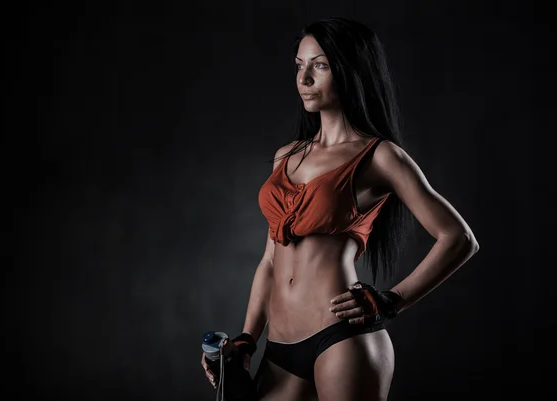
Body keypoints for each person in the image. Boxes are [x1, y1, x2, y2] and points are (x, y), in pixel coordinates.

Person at [201, 16, 479, 401]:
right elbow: (269, 262)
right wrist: (248, 338)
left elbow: (459, 238)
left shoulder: (380, 157)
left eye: (320, 65)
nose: (305, 78)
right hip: (278, 348)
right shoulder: (287, 156)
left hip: (341, 337)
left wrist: (390, 301)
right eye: (300, 65)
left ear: (350, 71)